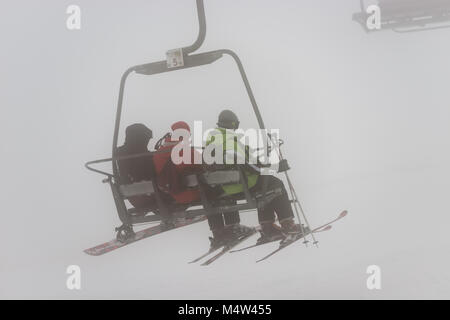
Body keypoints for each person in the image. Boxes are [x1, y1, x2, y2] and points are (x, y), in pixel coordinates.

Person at [207, 109, 302, 242]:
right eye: (236, 125)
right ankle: (287, 225)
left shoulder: (214, 140)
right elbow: (250, 168)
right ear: (232, 124)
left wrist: (265, 165)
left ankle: (268, 228)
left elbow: (247, 163)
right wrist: (275, 168)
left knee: (265, 184)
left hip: (227, 185)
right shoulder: (227, 141)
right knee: (275, 184)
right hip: (242, 184)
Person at [115, 123, 172, 211]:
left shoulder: (122, 154)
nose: (147, 142)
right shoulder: (142, 157)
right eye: (146, 139)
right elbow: (151, 173)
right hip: (154, 196)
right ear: (140, 138)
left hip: (136, 198)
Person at [153, 121, 202, 205]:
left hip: (169, 195)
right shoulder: (188, 152)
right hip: (189, 193)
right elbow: (202, 166)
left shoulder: (158, 153)